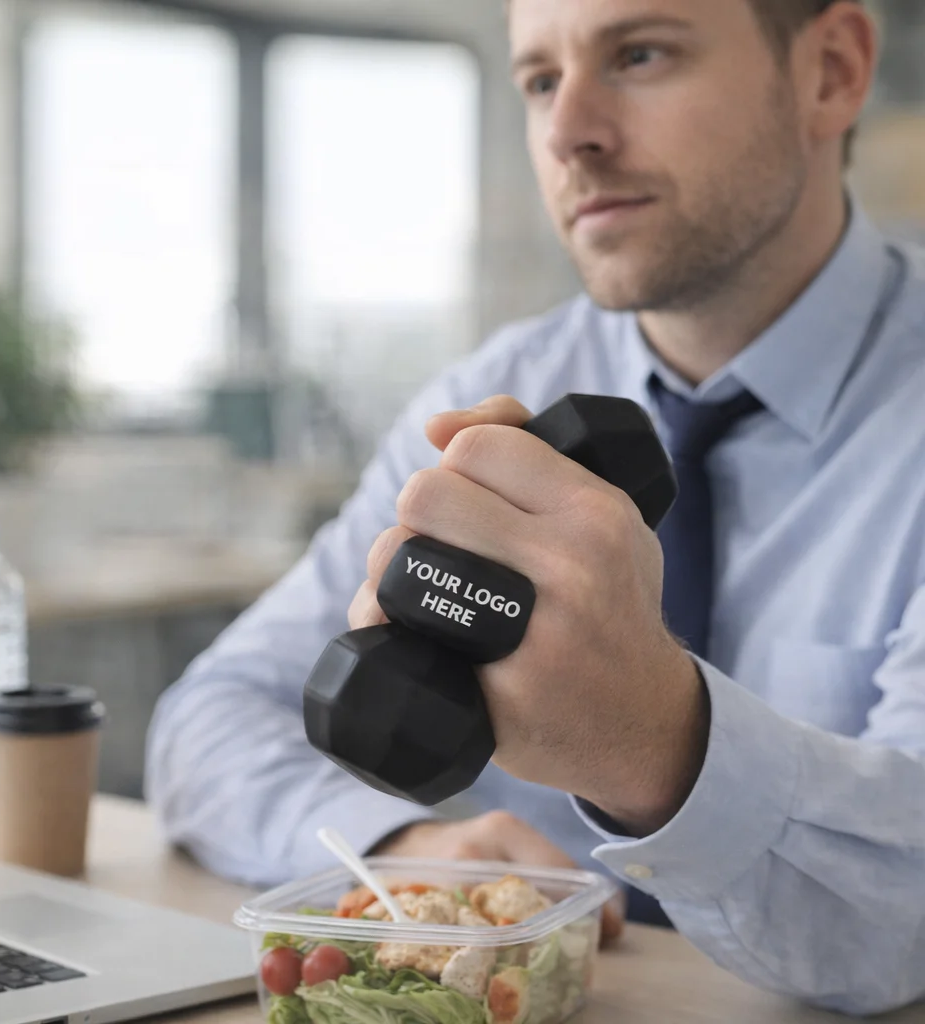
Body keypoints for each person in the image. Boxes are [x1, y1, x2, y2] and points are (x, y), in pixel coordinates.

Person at [145, 0, 925, 1013]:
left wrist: (650, 741)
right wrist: (407, 847)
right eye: (539, 81)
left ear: (830, 70)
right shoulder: (487, 398)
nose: (567, 135)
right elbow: (206, 719)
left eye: (640, 54)